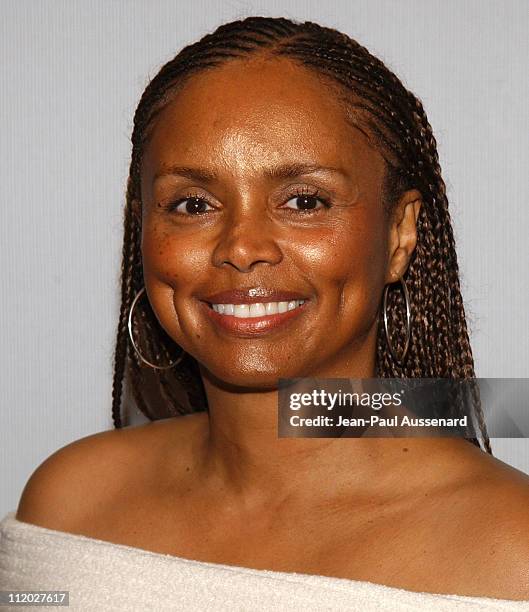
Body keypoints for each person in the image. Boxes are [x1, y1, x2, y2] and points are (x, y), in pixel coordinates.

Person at [1, 15, 529, 610]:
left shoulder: (515, 553)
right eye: (192, 203)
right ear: (143, 228)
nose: (240, 247)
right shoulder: (69, 504)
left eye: (305, 201)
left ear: (400, 233)